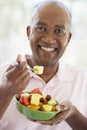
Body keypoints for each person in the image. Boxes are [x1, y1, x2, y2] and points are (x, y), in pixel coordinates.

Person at [0, 0, 87, 130]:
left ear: (68, 38)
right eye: (41, 28)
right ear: (29, 32)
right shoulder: (3, 75)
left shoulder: (83, 79)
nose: (48, 39)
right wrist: (5, 92)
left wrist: (72, 114)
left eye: (58, 31)